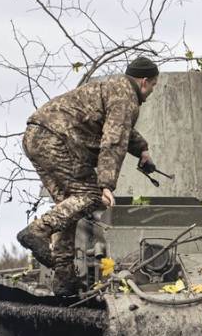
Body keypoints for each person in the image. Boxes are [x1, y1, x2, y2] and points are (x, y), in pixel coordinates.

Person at [16, 57, 159, 295]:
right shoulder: (127, 97)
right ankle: (38, 230)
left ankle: (64, 276)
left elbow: (116, 128)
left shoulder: (114, 88)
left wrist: (142, 149)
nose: (152, 91)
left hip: (36, 136)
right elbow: (113, 140)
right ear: (144, 81)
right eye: (153, 85)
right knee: (90, 197)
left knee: (68, 207)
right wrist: (105, 185)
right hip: (57, 141)